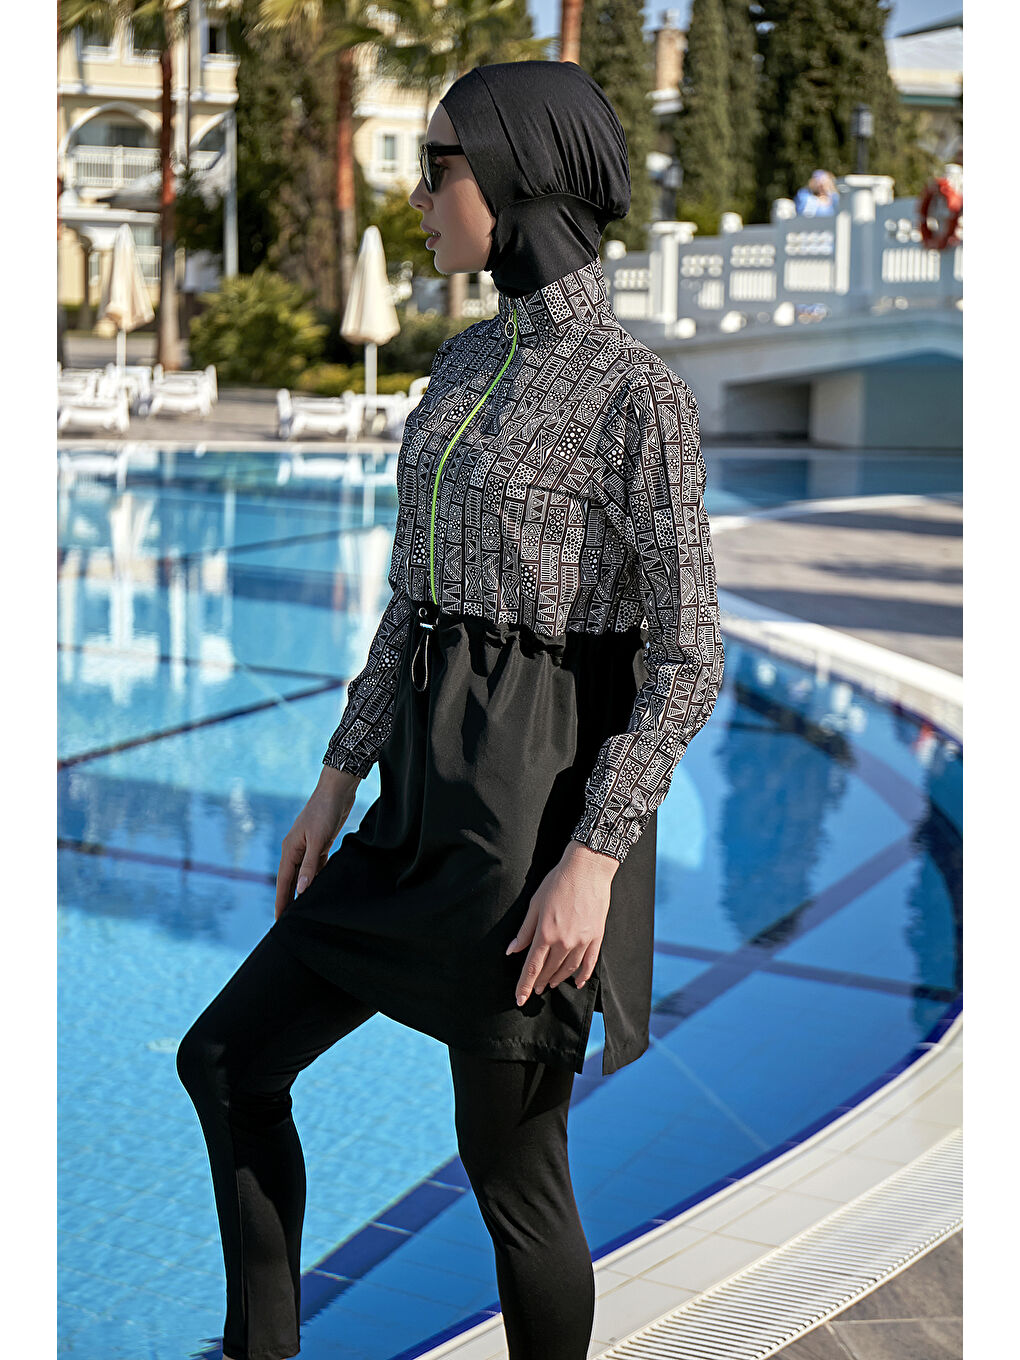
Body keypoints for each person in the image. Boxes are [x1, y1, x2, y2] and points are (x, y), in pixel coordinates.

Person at [176, 60, 725, 1360]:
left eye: (440, 168)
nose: (419, 198)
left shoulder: (635, 395)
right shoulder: (467, 356)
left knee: (512, 1177)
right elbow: (409, 603)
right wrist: (331, 788)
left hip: (529, 829)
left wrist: (593, 862)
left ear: (519, 175)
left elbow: (689, 653)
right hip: (411, 808)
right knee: (228, 1060)